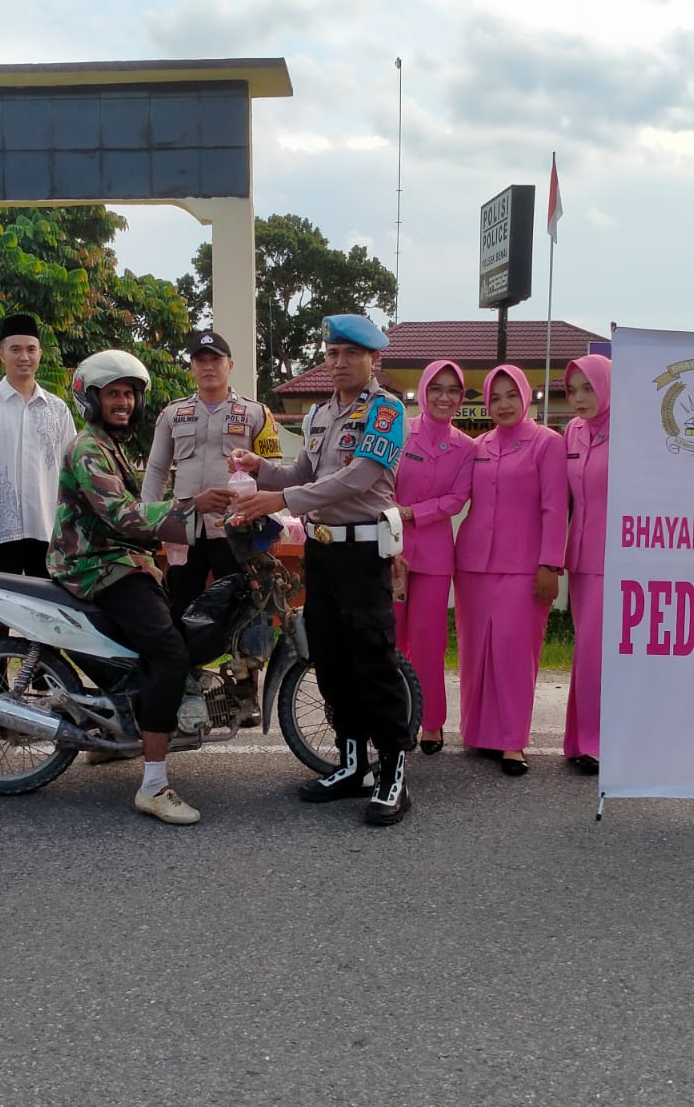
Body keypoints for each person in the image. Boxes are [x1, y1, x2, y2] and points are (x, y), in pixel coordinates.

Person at [230, 313, 414, 825]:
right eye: (332, 353)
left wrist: (278, 498)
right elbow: (302, 472)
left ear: (372, 359)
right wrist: (258, 469)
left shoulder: (386, 411)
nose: (338, 363)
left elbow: (357, 480)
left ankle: (393, 772)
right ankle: (352, 765)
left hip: (362, 554)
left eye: (349, 354)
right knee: (330, 659)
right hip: (322, 552)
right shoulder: (316, 416)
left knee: (372, 661)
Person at [48, 349, 232, 825]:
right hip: (96, 566)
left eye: (129, 394)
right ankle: (153, 785)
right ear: (91, 399)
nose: (124, 402)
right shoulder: (88, 448)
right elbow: (123, 516)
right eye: (113, 394)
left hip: (121, 562)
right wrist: (192, 506)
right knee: (169, 652)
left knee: (161, 639)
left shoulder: (110, 445)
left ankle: (119, 737)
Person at [453, 364, 567, 776]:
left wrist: (550, 564)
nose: (503, 405)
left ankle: (512, 741)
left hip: (524, 567)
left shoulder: (547, 444)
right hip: (472, 565)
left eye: (511, 396)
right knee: (475, 650)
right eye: (495, 397)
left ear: (527, 396)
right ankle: (479, 733)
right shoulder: (477, 445)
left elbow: (555, 508)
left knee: (515, 653)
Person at [143, 329, 282, 618]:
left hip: (236, 528)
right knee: (179, 605)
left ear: (230, 365)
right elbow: (156, 470)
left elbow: (273, 473)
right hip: (184, 528)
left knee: (240, 607)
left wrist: (273, 523)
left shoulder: (256, 413)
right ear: (191, 367)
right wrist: (148, 521)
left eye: (215, 360)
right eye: (201, 360)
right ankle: (183, 663)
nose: (208, 366)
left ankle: (242, 665)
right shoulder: (173, 413)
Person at [391, 360, 476, 756]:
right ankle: (393, 715)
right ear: (422, 391)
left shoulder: (466, 447)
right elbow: (378, 481)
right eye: (436, 388)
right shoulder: (399, 431)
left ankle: (432, 721)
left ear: (461, 398)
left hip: (436, 556)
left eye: (453, 390)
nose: (444, 397)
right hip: (390, 549)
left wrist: (414, 513)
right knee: (391, 638)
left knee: (429, 640)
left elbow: (457, 498)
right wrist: (396, 518)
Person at [0, 314, 76, 576]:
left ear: (40, 353)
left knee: (44, 610)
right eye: (15, 349)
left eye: (31, 349)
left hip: (47, 529)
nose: (24, 357)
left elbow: (70, 471)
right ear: (1, 354)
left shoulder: (58, 409)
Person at [560, 354, 613, 776]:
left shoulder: (632, 434)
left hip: (617, 557)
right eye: (572, 390)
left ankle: (599, 742)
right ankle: (579, 740)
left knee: (599, 650)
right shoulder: (572, 432)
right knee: (585, 650)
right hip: (578, 556)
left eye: (588, 388)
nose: (579, 398)